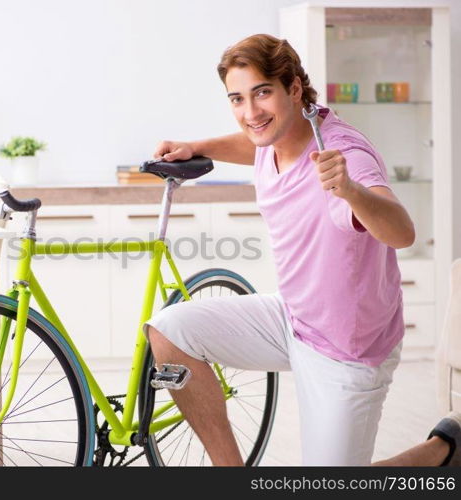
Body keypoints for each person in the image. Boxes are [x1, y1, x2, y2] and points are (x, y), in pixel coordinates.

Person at [145, 33, 460, 466]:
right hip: (293, 317)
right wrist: (199, 147)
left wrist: (349, 191)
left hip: (349, 346)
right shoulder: (277, 131)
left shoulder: (341, 152)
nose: (250, 112)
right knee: (168, 331)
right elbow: (255, 141)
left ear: (293, 88)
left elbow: (402, 231)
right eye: (237, 99)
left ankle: (439, 452)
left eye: (262, 93)